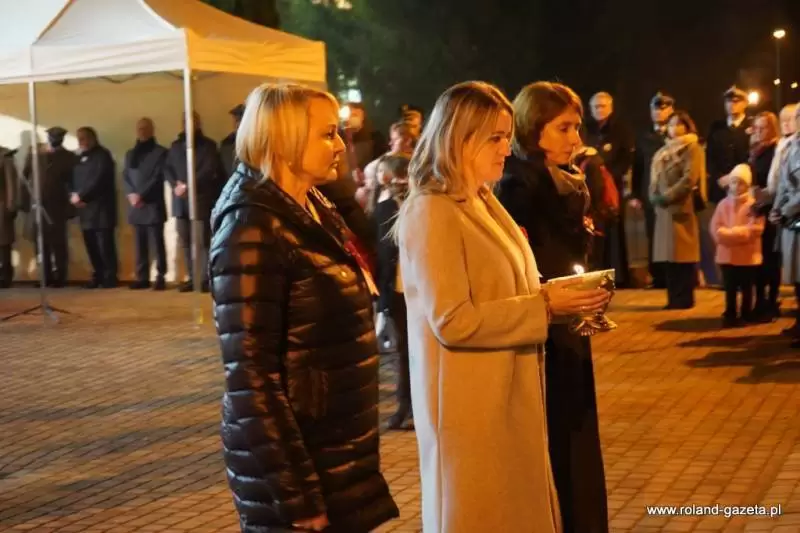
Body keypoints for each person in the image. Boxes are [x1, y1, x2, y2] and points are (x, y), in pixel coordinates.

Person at [398, 81, 610, 533]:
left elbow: (505, 286)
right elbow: (453, 320)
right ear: (459, 138)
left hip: (507, 397)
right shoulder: (433, 210)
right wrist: (545, 306)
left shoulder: (482, 200)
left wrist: (563, 296)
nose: (506, 148)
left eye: (507, 136)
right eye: (494, 137)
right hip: (471, 409)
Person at [209, 83, 399, 532]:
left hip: (333, 451)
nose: (341, 145)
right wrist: (295, 493)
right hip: (301, 466)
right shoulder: (252, 226)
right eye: (328, 134)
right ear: (285, 139)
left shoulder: (311, 204)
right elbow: (250, 377)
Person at [497, 81, 610, 533]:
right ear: (532, 128)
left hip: (570, 322)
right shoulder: (518, 184)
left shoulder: (570, 180)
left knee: (578, 433)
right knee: (558, 438)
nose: (575, 138)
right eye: (563, 128)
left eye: (577, 127)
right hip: (542, 328)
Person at [650, 111, 705, 309]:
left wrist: (668, 196)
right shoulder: (664, 151)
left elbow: (689, 178)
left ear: (687, 126)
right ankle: (673, 298)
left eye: (678, 124)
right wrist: (653, 196)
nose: (674, 128)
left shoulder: (693, 147)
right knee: (669, 257)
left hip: (681, 207)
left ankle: (684, 298)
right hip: (664, 210)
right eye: (671, 124)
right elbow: (655, 177)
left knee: (683, 256)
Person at [165, 112, 225, 292]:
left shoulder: (209, 146)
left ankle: (206, 279)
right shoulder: (175, 146)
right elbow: (167, 168)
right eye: (185, 122)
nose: (188, 125)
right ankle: (192, 277)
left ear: (198, 124)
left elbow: (209, 169)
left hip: (201, 200)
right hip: (180, 201)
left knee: (203, 241)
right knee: (186, 241)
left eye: (192, 122)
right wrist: (176, 185)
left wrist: (189, 185)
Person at [374, 153, 413, 430]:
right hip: (396, 289)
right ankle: (403, 405)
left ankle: (415, 407)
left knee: (416, 350)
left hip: (418, 288)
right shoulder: (383, 208)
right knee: (403, 349)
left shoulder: (419, 203)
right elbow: (378, 252)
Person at [583, 91, 634, 287]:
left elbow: (626, 158)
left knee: (614, 231)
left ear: (610, 108)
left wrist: (609, 175)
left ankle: (618, 275)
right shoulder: (586, 130)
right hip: (591, 187)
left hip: (613, 186)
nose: (599, 110)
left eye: (603, 106)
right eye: (596, 106)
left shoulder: (620, 130)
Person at [702, 86, 751, 287]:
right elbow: (709, 157)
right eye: (729, 101)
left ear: (744, 103)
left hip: (743, 190)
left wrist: (737, 178)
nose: (732, 105)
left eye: (737, 101)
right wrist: (718, 177)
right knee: (720, 233)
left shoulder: (750, 126)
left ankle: (742, 278)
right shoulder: (717, 128)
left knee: (741, 232)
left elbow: (751, 157)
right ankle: (725, 278)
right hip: (720, 189)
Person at [21, 127, 77, 287]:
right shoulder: (35, 155)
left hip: (57, 206)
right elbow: (25, 178)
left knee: (58, 243)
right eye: (52, 136)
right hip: (37, 205)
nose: (54, 139)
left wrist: (71, 207)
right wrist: (24, 203)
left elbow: (73, 183)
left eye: (57, 137)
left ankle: (61, 276)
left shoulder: (69, 157)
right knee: (40, 243)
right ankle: (45, 277)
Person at [711, 164, 764, 327]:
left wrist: (730, 234)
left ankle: (746, 313)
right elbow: (715, 228)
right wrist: (736, 234)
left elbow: (756, 229)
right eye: (733, 182)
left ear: (747, 185)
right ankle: (730, 313)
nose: (736, 186)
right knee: (730, 287)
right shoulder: (722, 205)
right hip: (727, 256)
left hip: (747, 255)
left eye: (740, 183)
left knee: (747, 287)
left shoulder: (754, 205)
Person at [631, 92, 675, 289]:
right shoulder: (644, 137)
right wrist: (635, 194)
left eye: (663, 108)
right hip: (650, 193)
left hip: (671, 193)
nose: (659, 112)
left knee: (672, 236)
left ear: (671, 110)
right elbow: (638, 167)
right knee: (653, 234)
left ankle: (673, 276)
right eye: (655, 109)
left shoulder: (675, 135)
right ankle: (658, 277)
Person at [123, 118, 168, 290]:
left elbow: (157, 177)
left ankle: (160, 276)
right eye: (139, 128)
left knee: (157, 243)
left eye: (145, 128)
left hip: (152, 203)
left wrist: (141, 195)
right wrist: (131, 194)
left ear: (152, 130)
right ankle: (142, 277)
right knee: (139, 244)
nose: (142, 131)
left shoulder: (161, 152)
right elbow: (125, 176)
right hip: (135, 204)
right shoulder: (130, 154)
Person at [70, 127, 118, 289]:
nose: (81, 142)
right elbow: (71, 179)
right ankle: (98, 274)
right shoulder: (79, 158)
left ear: (93, 138)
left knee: (105, 245)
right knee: (91, 245)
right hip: (85, 210)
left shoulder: (103, 155)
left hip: (101, 209)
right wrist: (73, 195)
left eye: (83, 138)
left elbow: (99, 180)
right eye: (79, 138)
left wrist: (82, 196)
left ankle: (110, 276)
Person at [771, 104, 800, 345]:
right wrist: (776, 209)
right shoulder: (791, 146)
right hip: (790, 219)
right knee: (797, 276)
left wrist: (786, 209)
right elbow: (782, 183)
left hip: (796, 215)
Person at [748, 112, 780, 320]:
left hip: (770, 209)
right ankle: (759, 301)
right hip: (756, 209)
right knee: (758, 259)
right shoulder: (754, 151)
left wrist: (761, 195)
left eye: (763, 127)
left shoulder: (776, 150)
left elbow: (776, 182)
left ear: (772, 128)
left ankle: (771, 302)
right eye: (756, 127)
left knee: (770, 259)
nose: (759, 131)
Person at [0, 146, 18, 288]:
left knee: (3, 243)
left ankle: (5, 277)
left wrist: (11, 206)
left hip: (1, 206)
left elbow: (11, 182)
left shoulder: (5, 156)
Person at [220, 103, 244, 177]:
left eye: (240, 119)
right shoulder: (226, 143)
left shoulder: (257, 143)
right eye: (236, 120)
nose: (238, 124)